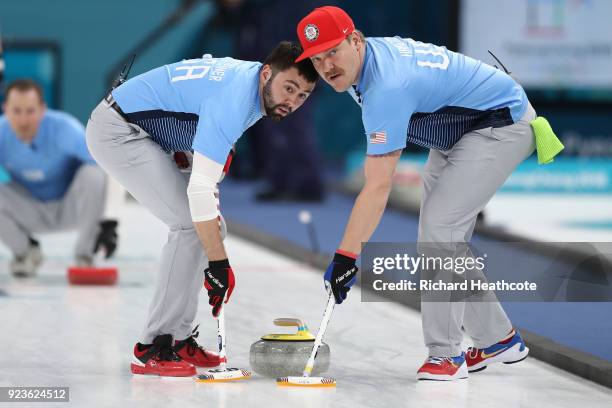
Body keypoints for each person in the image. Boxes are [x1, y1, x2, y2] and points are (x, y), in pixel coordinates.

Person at [296, 6, 535, 381]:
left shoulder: (387, 87)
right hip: (459, 127)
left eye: (333, 51)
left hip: (499, 122)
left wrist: (346, 256)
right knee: (440, 235)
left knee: (441, 233)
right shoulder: (365, 65)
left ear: (355, 40)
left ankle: (446, 356)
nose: (327, 66)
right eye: (317, 58)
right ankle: (497, 339)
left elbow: (377, 187)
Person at [86, 42, 318, 377]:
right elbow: (200, 189)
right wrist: (218, 264)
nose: (292, 102)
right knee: (188, 225)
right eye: (289, 88)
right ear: (267, 73)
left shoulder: (252, 85)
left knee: (211, 229)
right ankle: (152, 345)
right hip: (120, 133)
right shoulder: (236, 101)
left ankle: (178, 338)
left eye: (303, 96)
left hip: (151, 135)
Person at [0, 79, 117, 278]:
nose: (23, 119)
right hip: (29, 210)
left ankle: (85, 255)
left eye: (30, 111)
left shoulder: (65, 129)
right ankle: (25, 251)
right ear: (5, 109)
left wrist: (107, 220)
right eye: (16, 111)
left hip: (71, 208)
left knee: (93, 172)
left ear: (42, 109)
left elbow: (108, 168)